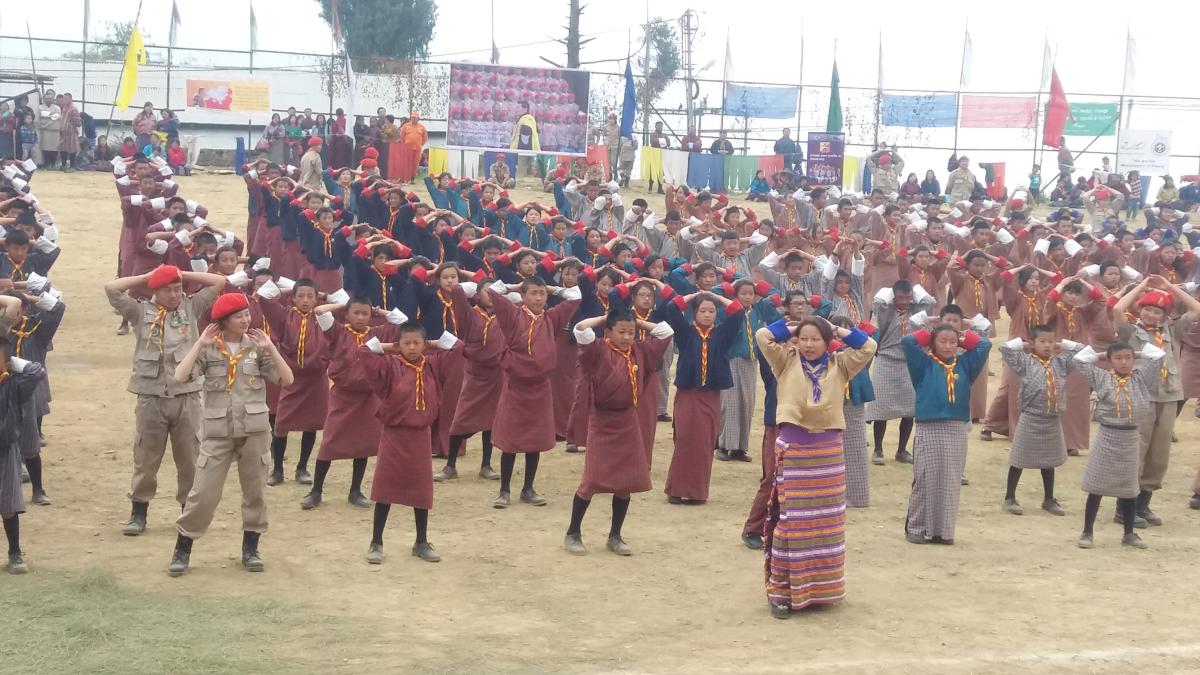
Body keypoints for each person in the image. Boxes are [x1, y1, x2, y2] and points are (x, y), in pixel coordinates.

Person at [755, 314, 876, 618]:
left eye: (816, 339)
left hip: (827, 452)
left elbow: (869, 346)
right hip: (794, 448)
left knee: (825, 522)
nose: (809, 344)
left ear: (827, 342)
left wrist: (836, 329)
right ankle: (781, 590)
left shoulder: (841, 364)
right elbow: (762, 336)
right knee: (792, 520)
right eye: (804, 338)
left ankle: (821, 590)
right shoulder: (785, 359)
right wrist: (793, 327)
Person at [168, 294, 294, 577]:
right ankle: (183, 546)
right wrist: (199, 343)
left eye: (247, 315)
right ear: (224, 321)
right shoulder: (210, 348)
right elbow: (180, 376)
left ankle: (251, 548)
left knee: (255, 493)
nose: (246, 320)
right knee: (203, 493)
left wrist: (271, 347)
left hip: (254, 430)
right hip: (218, 432)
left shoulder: (258, 348)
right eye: (239, 316)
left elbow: (287, 379)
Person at [105, 265, 227, 536]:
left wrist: (182, 273)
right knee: (146, 457)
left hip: (186, 397)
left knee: (190, 457)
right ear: (154, 291)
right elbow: (111, 289)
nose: (174, 295)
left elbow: (219, 281)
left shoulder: (190, 308)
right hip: (151, 397)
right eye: (167, 289)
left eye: (177, 289)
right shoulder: (139, 312)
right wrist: (147, 277)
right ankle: (139, 512)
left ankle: (189, 512)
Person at [563, 310, 674, 556]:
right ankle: (573, 532)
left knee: (626, 482)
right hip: (602, 421)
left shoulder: (641, 351)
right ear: (608, 332)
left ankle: (615, 535)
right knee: (591, 481)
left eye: (631, 333)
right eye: (621, 332)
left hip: (628, 420)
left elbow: (666, 330)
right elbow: (580, 329)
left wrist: (636, 322)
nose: (626, 337)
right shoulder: (597, 350)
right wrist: (604, 317)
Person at [358, 322, 460, 564]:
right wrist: (391, 348)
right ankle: (376, 541)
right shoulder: (389, 366)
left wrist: (431, 345)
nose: (412, 348)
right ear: (398, 345)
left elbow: (458, 347)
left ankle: (421, 541)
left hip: (421, 436)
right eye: (407, 343)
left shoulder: (433, 364)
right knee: (385, 490)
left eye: (417, 343)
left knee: (421, 491)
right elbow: (363, 352)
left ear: (424, 345)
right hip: (394, 435)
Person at [300, 297, 405, 510]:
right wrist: (342, 305)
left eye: (364, 313)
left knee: (363, 445)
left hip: (368, 397)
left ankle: (355, 490)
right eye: (355, 313)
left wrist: (379, 311)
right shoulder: (338, 332)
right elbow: (319, 310)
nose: (360, 317)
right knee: (329, 443)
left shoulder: (377, 334)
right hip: (343, 395)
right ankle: (316, 490)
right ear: (347, 314)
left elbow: (403, 322)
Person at [486, 277, 581, 507]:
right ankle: (504, 490)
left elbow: (576, 295)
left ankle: (528, 488)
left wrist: (551, 287)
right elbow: (493, 291)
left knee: (534, 440)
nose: (538, 298)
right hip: (515, 386)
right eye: (533, 293)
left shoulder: (552, 318)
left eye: (542, 294)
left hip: (540, 386)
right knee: (511, 439)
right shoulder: (512, 315)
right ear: (524, 296)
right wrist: (516, 286)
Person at [1112, 276, 1200, 523]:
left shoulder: (1172, 330)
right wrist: (1142, 287)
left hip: (1169, 394)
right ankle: (1124, 507)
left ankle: (1143, 504)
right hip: (1142, 395)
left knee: (1159, 453)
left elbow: (1197, 309)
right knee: (1137, 449)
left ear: (1164, 315)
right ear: (1140, 309)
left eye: (1158, 311)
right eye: (1148, 309)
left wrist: (1169, 287)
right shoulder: (1130, 330)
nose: (1152, 315)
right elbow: (1117, 308)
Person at [902, 322, 991, 544]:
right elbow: (908, 342)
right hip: (929, 425)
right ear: (933, 343)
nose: (948, 346)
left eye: (953, 342)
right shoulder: (923, 365)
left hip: (956, 427)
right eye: (943, 341)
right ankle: (916, 527)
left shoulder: (965, 364)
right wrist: (930, 334)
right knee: (925, 478)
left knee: (950, 480)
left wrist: (963, 337)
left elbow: (984, 345)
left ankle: (942, 531)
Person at [1073, 342, 1163, 549]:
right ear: (1110, 361)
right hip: (1108, 435)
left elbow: (1159, 356)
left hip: (1131, 437)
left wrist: (1137, 353)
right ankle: (1087, 531)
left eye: (1128, 358)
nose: (1124, 362)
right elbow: (1079, 359)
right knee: (1096, 487)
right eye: (1118, 358)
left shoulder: (1141, 378)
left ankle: (1129, 533)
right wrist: (1103, 354)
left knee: (1130, 488)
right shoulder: (1101, 377)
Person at [661, 291, 746, 504]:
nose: (707, 315)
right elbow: (672, 307)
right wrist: (694, 295)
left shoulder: (722, 334)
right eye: (702, 311)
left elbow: (738, 311)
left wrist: (713, 296)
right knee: (685, 440)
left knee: (705, 441)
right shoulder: (686, 332)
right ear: (694, 313)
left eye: (711, 311)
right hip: (688, 395)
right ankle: (676, 489)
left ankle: (697, 492)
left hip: (711, 396)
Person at [999, 325, 1083, 517]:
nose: (1047, 345)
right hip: (1030, 416)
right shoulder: (1025, 362)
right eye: (1042, 341)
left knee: (1049, 461)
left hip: (1052, 418)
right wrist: (1025, 345)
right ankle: (1010, 497)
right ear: (1032, 343)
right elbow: (1005, 348)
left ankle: (1049, 498)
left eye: (1051, 341)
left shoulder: (1061, 362)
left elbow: (1082, 351)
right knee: (1018, 458)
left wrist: (1061, 345)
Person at [867, 280, 936, 464]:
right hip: (886, 360)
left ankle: (902, 450)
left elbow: (929, 301)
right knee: (881, 408)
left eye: (908, 297)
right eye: (900, 297)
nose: (904, 301)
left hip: (909, 363)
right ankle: (878, 449)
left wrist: (915, 291)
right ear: (893, 296)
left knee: (909, 409)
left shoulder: (917, 312)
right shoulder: (886, 311)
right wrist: (891, 291)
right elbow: (878, 301)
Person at [0, 337, 44, 574]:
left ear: (6, 363)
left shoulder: (13, 385)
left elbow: (36, 371)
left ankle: (14, 552)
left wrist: (11, 362)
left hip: (5, 450)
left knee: (7, 504)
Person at [399, 112, 427, 183]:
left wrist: (420, 144)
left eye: (415, 118)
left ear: (418, 119)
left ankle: (412, 178)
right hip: (407, 149)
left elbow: (425, 138)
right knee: (406, 163)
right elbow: (402, 136)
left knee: (415, 164)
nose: (413, 119)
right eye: (412, 117)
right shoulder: (406, 126)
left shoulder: (422, 127)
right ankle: (404, 178)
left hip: (417, 149)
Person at [57, 93, 82, 171]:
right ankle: (63, 165)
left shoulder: (73, 109)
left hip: (71, 133)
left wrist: (69, 125)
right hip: (63, 133)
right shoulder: (64, 107)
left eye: (67, 99)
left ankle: (72, 166)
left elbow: (78, 122)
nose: (65, 100)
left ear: (71, 99)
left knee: (72, 149)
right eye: (64, 99)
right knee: (63, 149)